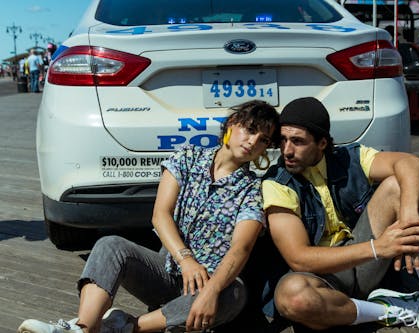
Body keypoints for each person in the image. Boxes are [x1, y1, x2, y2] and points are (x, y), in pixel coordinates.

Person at [17, 99, 281, 333]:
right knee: (110, 245)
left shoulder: (251, 189)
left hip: (210, 287)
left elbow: (241, 247)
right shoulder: (187, 159)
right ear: (232, 124)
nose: (253, 141)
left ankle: (126, 327)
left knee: (233, 291)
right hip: (168, 272)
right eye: (250, 129)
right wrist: (186, 259)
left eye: (263, 140)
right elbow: (160, 215)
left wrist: (211, 290)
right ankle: (82, 328)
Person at [251, 97, 419, 333]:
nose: (287, 150)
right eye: (282, 140)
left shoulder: (349, 158)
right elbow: (299, 259)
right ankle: (393, 310)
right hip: (321, 275)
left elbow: (411, 163)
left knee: (401, 186)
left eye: (298, 141)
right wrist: (378, 248)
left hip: (366, 264)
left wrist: (410, 214)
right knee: (293, 299)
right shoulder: (277, 183)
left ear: (322, 143)